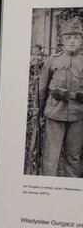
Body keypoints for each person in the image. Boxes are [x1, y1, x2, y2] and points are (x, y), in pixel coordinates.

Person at [34, 19, 83, 177]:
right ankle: (47, 188)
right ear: (62, 40)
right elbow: (42, 88)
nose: (72, 41)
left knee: (73, 158)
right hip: (55, 114)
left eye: (76, 37)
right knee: (51, 157)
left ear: (81, 40)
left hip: (78, 116)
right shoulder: (52, 61)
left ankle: (70, 189)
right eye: (68, 37)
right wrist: (39, 112)